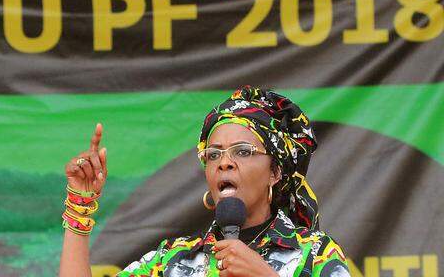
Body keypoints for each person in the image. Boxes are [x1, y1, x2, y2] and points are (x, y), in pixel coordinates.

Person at [59, 85, 351, 277]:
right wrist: (80, 205)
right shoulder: (172, 261)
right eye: (213, 154)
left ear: (275, 172)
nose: (224, 162)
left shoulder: (315, 253)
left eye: (243, 151)